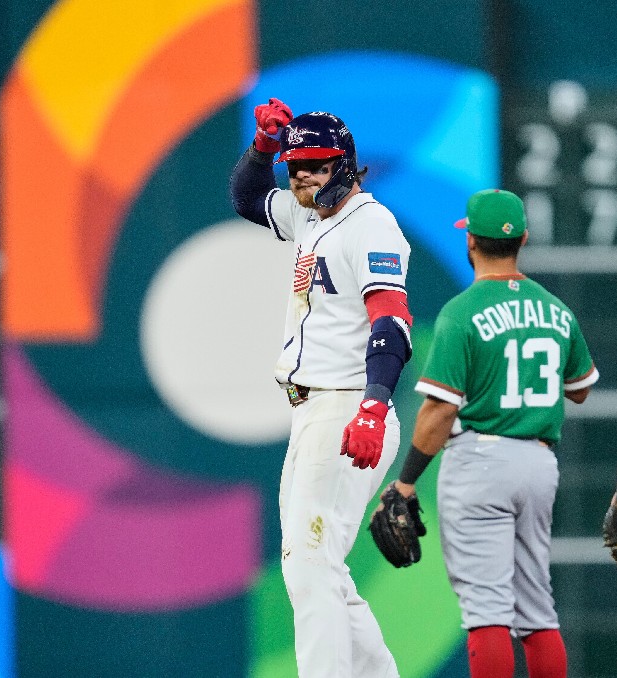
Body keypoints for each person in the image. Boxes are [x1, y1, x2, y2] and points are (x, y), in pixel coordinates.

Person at [379, 189, 598, 678]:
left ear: (470, 242)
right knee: (537, 609)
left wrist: (406, 481)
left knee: (487, 611)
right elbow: (580, 389)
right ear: (522, 238)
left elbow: (438, 409)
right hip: (539, 463)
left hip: (480, 461)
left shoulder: (463, 311)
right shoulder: (555, 309)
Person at [228, 98, 413, 678]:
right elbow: (246, 198)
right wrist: (263, 148)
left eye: (318, 164)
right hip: (316, 411)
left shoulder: (370, 223)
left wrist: (374, 407)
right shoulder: (312, 215)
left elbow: (393, 323)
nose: (303, 175)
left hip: (347, 408)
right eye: (295, 165)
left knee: (308, 562)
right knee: (320, 566)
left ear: (347, 164)